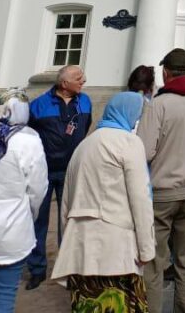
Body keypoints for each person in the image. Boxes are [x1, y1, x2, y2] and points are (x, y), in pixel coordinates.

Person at [52, 91, 155, 312]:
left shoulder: (84, 145)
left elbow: (66, 203)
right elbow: (141, 199)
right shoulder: (129, 143)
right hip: (116, 248)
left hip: (80, 248)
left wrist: (67, 242)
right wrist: (146, 248)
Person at [138, 48, 185, 313]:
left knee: (154, 262)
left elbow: (145, 150)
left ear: (166, 73)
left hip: (163, 191)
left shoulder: (158, 105)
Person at [26, 65, 92, 289]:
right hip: (43, 172)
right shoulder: (38, 105)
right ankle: (37, 269)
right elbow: (30, 136)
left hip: (71, 171)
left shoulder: (85, 102)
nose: (83, 80)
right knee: (38, 221)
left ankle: (68, 269)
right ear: (64, 83)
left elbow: (85, 127)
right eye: (78, 77)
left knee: (69, 222)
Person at [0, 89, 48, 312]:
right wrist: (29, 216)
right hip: (11, 232)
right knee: (3, 297)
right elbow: (37, 190)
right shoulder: (28, 141)